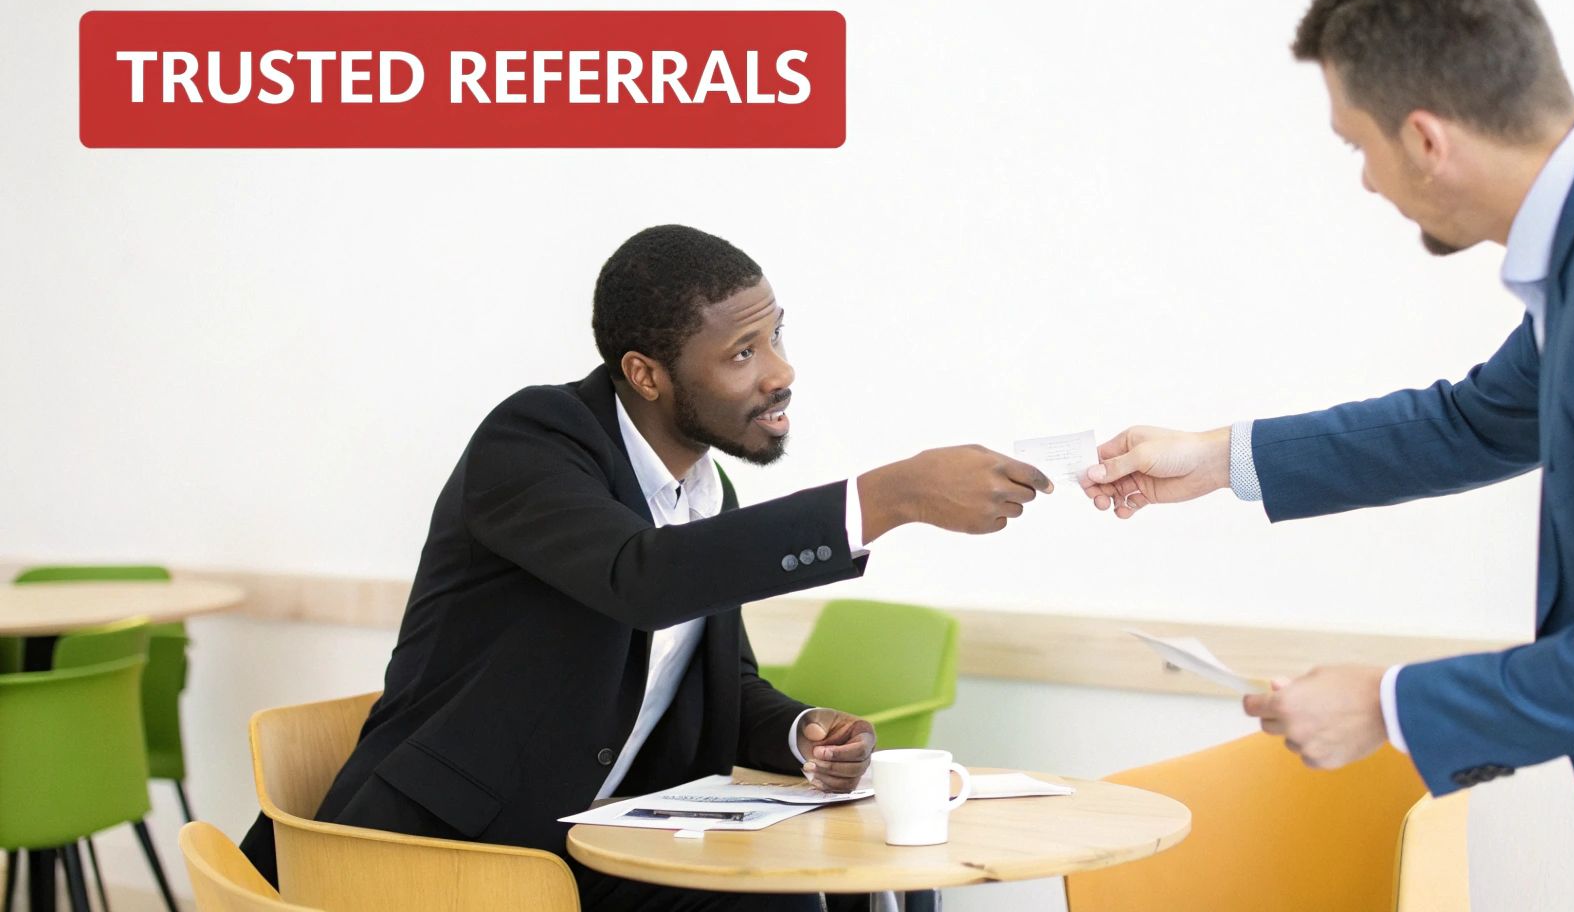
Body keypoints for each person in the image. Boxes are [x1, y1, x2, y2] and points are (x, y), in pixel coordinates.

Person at [1080, 0, 1574, 910]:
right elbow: (1475, 422)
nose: (1363, 180)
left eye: (1358, 145)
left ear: (1425, 140)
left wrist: (1385, 706)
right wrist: (1218, 457)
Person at [243, 224, 1053, 911]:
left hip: (593, 842)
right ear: (646, 374)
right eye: (742, 351)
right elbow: (644, 578)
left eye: (776, 336)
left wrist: (806, 735)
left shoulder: (706, 490)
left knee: (798, 892)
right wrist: (891, 495)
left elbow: (720, 689)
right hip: (444, 852)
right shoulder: (532, 440)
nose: (780, 371)